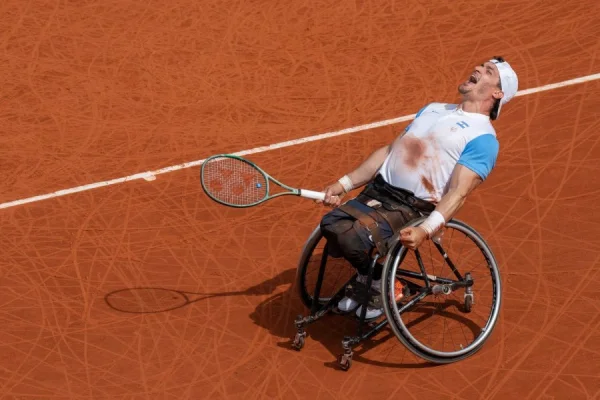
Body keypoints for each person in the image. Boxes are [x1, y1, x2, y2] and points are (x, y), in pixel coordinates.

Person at [317, 57, 518, 319]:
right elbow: (389, 152)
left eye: (488, 71)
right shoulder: (433, 109)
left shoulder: (483, 139)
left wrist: (426, 229)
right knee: (330, 225)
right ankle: (371, 276)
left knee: (350, 238)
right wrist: (344, 184)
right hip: (378, 192)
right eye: (481, 65)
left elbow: (459, 192)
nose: (478, 68)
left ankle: (383, 284)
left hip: (411, 206)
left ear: (497, 93)